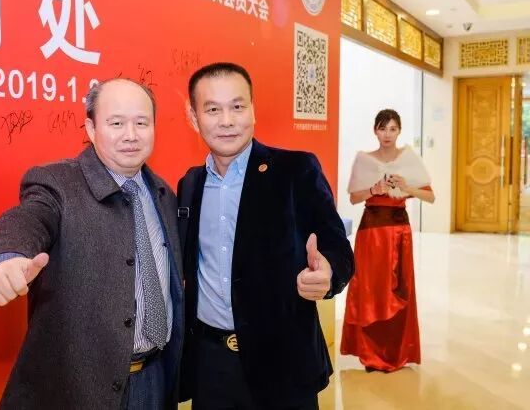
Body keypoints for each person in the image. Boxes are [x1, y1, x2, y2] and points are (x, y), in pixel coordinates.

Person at [0, 78, 184, 409]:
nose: (131, 134)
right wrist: (6, 257)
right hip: (77, 387)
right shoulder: (57, 183)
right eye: (116, 123)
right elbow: (29, 218)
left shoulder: (163, 194)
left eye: (141, 123)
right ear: (91, 128)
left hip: (154, 380)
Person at [176, 62, 354, 409]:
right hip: (212, 366)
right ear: (194, 118)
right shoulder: (190, 185)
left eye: (237, 106)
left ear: (253, 110)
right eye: (212, 110)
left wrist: (329, 273)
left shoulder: (295, 170)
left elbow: (337, 247)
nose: (227, 120)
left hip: (282, 362)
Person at [340, 108, 435, 373]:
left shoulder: (408, 160)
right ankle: (370, 353)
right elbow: (354, 198)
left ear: (399, 131)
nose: (387, 134)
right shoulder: (364, 161)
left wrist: (406, 187)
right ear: (375, 130)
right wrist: (374, 189)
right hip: (371, 232)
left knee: (399, 289)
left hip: (399, 231)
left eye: (392, 129)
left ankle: (397, 352)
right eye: (383, 128)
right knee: (369, 290)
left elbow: (430, 196)